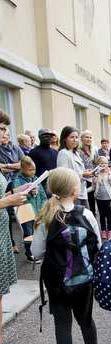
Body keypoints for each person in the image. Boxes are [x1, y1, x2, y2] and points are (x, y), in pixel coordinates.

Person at [31, 167, 101, 344]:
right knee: (86, 322)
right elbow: (98, 245)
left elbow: (36, 252)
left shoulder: (46, 216)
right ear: (75, 190)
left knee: (62, 325)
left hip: (56, 282)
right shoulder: (86, 214)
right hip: (83, 280)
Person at [0, 110, 28, 343]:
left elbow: (4, 192)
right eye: (0, 129)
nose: (5, 134)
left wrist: (20, 192)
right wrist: (6, 202)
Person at [11, 156, 47, 262]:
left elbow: (42, 195)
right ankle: (29, 254)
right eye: (30, 170)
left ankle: (37, 251)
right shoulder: (17, 181)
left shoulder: (35, 178)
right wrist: (29, 193)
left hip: (38, 210)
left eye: (34, 169)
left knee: (38, 232)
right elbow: (17, 198)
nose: (33, 172)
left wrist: (44, 207)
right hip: (25, 212)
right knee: (28, 233)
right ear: (22, 169)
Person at [57, 126, 93, 207]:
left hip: (81, 192)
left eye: (76, 137)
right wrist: (82, 175)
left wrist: (87, 174)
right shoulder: (63, 153)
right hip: (71, 194)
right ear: (65, 139)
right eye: (72, 137)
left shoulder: (75, 153)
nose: (75, 140)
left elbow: (80, 172)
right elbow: (63, 176)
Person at [93, 156, 111, 239]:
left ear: (107, 164)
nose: (103, 165)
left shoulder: (110, 174)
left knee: (109, 215)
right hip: (99, 197)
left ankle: (110, 230)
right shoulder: (97, 174)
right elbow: (94, 186)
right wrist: (95, 176)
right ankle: (103, 230)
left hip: (108, 197)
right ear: (98, 165)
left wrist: (109, 175)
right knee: (101, 215)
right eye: (101, 163)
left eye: (105, 163)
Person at [79, 130, 98, 216]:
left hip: (92, 178)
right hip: (83, 178)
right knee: (86, 201)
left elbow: (96, 163)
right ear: (82, 139)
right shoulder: (78, 151)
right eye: (86, 137)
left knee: (92, 200)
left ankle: (92, 216)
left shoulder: (94, 150)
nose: (89, 139)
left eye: (90, 137)